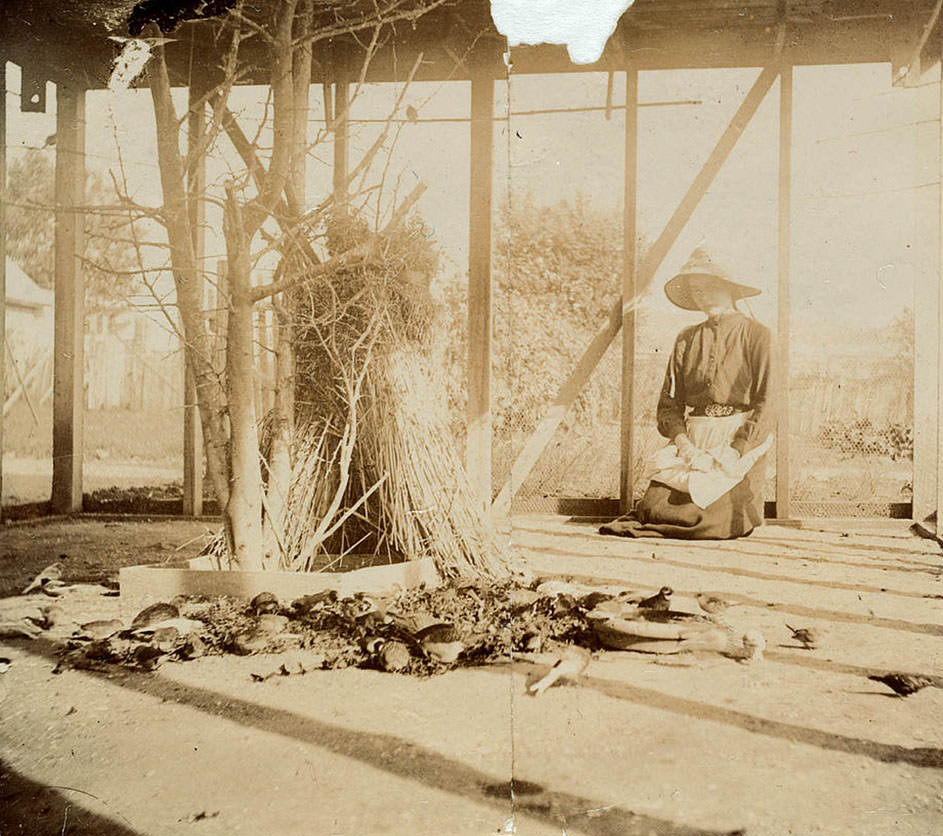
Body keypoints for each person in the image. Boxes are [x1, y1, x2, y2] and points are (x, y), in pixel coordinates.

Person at [600, 247, 773, 540]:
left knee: (713, 519)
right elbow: (669, 404)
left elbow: (768, 402)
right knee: (653, 509)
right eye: (696, 290)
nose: (702, 295)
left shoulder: (758, 335)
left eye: (710, 286)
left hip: (736, 440)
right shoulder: (687, 338)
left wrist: (735, 449)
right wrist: (684, 444)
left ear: (729, 288)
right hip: (694, 439)